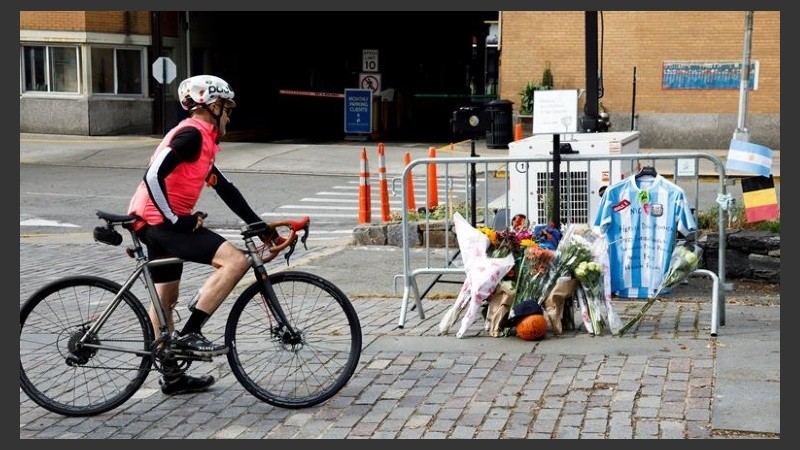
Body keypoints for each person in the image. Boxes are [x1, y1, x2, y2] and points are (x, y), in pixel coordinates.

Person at [127, 75, 277, 395]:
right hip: (161, 223)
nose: (230, 113)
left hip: (153, 223)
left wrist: (260, 226)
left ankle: (171, 374)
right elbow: (153, 175)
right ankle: (191, 333)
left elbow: (225, 189)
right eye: (227, 106)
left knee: (166, 297)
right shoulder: (193, 135)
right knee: (235, 262)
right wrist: (176, 220)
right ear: (212, 105)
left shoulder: (203, 140)